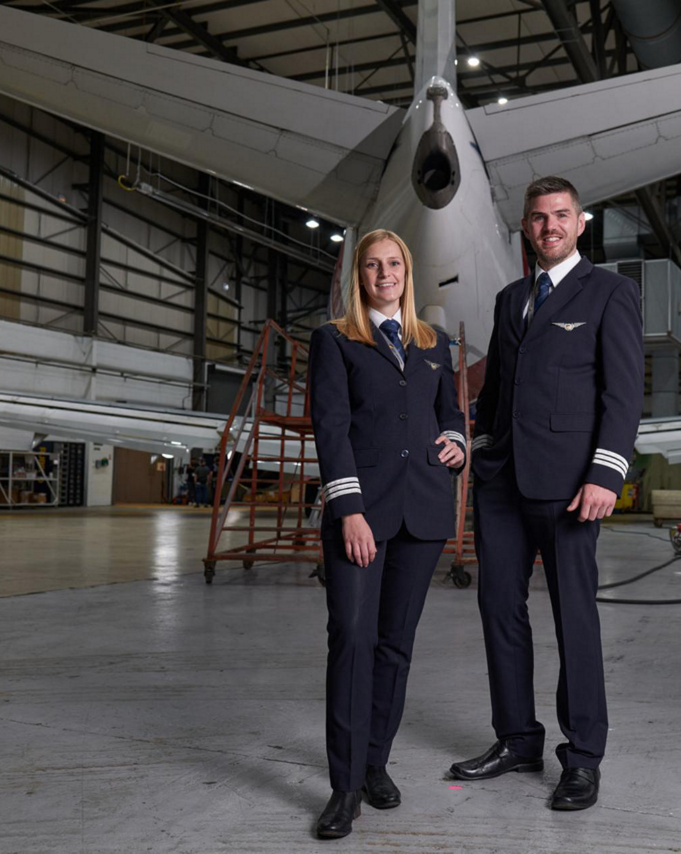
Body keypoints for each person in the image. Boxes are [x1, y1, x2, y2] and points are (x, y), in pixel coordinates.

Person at [448, 176, 644, 811]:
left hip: (570, 487)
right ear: (525, 229)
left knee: (574, 619)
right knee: (499, 612)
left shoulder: (612, 293)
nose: (549, 226)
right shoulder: (511, 300)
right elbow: (496, 394)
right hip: (503, 485)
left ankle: (582, 757)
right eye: (537, 218)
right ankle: (517, 739)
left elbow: (623, 394)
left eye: (561, 215)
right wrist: (476, 457)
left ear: (580, 223)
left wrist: (606, 473)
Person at [307, 228, 467, 839]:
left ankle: (375, 761)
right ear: (359, 276)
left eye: (393, 263)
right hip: (361, 513)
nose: (384, 273)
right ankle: (344, 787)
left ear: (407, 270)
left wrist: (453, 443)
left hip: (422, 512)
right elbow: (331, 427)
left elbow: (448, 415)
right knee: (351, 636)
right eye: (372, 265)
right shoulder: (336, 340)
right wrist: (349, 511)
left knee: (395, 645)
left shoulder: (433, 343)